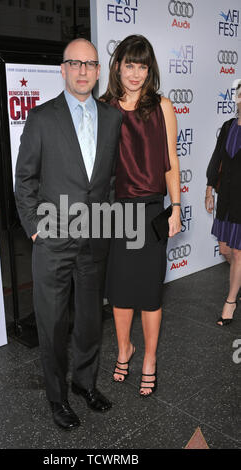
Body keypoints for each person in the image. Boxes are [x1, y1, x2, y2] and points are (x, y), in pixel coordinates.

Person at [14, 38, 122, 429]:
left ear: (97, 71)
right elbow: (24, 179)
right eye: (74, 63)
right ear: (62, 69)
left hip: (95, 239)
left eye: (90, 64)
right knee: (53, 323)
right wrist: (34, 230)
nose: (82, 71)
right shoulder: (42, 118)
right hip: (52, 241)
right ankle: (57, 397)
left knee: (91, 321)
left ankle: (85, 383)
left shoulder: (113, 118)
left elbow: (108, 181)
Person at [101, 35, 181, 396]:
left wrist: (176, 207)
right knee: (119, 292)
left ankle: (149, 358)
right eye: (129, 65)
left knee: (149, 293)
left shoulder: (163, 106)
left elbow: (171, 162)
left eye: (142, 66)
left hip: (151, 211)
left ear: (151, 70)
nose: (135, 73)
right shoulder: (104, 108)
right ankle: (124, 350)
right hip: (116, 212)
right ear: (117, 66)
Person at [205, 81, 241, 326]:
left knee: (238, 252)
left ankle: (230, 301)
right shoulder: (228, 126)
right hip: (226, 195)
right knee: (226, 250)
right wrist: (209, 189)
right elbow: (217, 157)